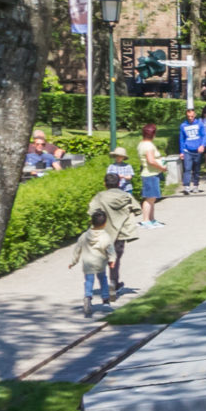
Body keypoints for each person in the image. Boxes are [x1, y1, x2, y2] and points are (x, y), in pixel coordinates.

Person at [90, 154, 139, 299]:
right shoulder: (125, 196)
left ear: (105, 184)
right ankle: (113, 283)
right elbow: (138, 209)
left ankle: (104, 285)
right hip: (121, 233)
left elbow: (91, 210)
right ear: (118, 184)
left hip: (104, 232)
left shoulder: (100, 196)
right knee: (115, 259)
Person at [71, 207, 114, 316]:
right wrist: (112, 260)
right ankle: (105, 300)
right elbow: (110, 249)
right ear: (105, 224)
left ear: (91, 222)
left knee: (89, 281)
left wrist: (73, 261)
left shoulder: (84, 236)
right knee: (103, 279)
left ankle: (88, 297)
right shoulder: (105, 236)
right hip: (100, 263)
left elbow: (77, 249)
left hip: (87, 263)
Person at [136, 123, 167, 227]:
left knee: (152, 198)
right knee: (149, 198)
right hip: (150, 174)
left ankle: (152, 219)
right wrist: (162, 167)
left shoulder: (142, 144)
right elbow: (150, 160)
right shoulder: (148, 145)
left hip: (151, 173)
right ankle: (145, 220)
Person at [177, 107, 206, 195]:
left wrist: (202, 145)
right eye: (188, 116)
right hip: (188, 150)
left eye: (192, 116)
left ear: (194, 115)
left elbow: (204, 135)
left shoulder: (200, 124)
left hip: (197, 150)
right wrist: (182, 152)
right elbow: (182, 139)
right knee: (187, 169)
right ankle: (186, 186)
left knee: (196, 169)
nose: (190, 118)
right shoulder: (183, 125)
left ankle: (195, 185)